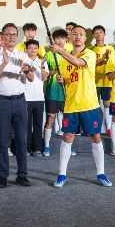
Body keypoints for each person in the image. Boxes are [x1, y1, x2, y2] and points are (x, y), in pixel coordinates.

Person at [51, 25, 112, 188]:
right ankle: (61, 174)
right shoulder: (63, 59)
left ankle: (101, 173)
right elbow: (67, 79)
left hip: (89, 104)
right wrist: (61, 80)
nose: (77, 36)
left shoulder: (89, 54)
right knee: (67, 137)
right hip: (71, 105)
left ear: (85, 38)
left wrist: (60, 51)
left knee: (96, 137)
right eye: (74, 34)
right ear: (70, 37)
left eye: (81, 34)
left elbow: (78, 62)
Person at [0, 23, 33, 188]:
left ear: (17, 37)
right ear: (2, 37)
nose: (11, 37)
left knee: (21, 140)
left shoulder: (23, 55)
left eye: (14, 34)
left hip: (20, 101)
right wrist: (4, 64)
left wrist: (26, 70)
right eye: (8, 34)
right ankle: (3, 176)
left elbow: (31, 78)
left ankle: (22, 175)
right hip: (2, 101)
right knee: (2, 141)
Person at [42, 29, 67, 157]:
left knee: (66, 120)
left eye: (62, 38)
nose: (60, 40)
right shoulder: (48, 54)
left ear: (66, 40)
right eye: (57, 38)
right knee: (50, 118)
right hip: (52, 91)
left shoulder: (69, 54)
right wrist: (55, 71)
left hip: (66, 92)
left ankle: (69, 146)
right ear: (54, 40)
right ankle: (46, 146)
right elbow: (44, 73)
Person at [24, 40, 48, 157]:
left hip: (39, 98)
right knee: (26, 125)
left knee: (38, 124)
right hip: (25, 98)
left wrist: (42, 66)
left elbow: (44, 78)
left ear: (38, 50)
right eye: (30, 48)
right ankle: (26, 149)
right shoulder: (23, 61)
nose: (33, 50)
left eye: (35, 48)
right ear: (26, 50)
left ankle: (37, 149)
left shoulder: (42, 62)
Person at [90, 25, 114, 135]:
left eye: (100, 32)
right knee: (94, 105)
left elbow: (113, 64)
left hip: (107, 81)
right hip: (93, 81)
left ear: (104, 34)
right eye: (96, 33)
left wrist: (107, 59)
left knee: (107, 104)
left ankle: (108, 128)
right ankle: (95, 127)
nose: (98, 34)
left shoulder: (111, 49)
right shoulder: (90, 49)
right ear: (93, 35)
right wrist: (102, 59)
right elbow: (90, 65)